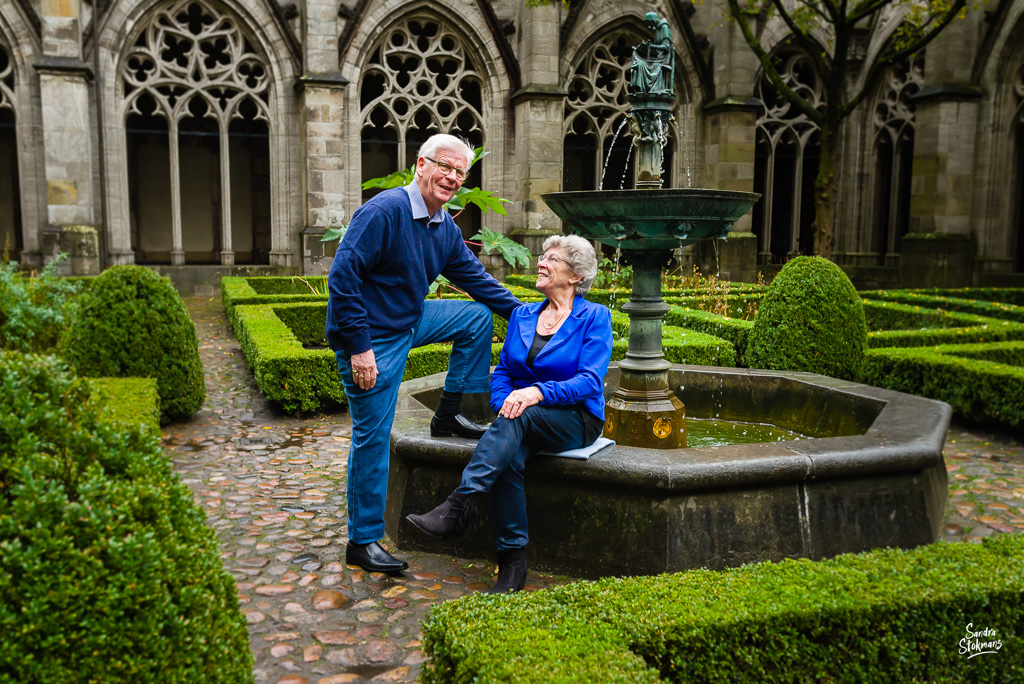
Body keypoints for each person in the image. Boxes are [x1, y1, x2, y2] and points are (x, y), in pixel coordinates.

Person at [326, 133, 522, 574]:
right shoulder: (386, 211)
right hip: (373, 338)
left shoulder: (443, 226)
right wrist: (359, 349)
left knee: (473, 320)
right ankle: (363, 541)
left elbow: (476, 279)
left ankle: (448, 413)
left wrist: (527, 315)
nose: (452, 177)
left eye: (460, 172)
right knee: (372, 437)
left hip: (409, 320)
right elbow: (343, 278)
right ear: (421, 164)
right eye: (445, 167)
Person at [406, 235, 612, 593]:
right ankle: (512, 562)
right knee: (509, 455)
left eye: (552, 259)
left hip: (576, 418)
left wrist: (535, 392)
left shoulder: (594, 316)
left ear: (576, 276)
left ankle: (460, 505)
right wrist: (503, 401)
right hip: (520, 417)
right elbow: (502, 372)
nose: (541, 263)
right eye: (542, 257)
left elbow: (589, 382)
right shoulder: (523, 314)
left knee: (519, 419)